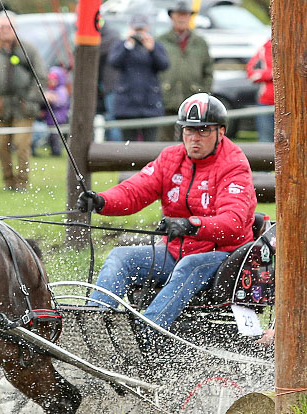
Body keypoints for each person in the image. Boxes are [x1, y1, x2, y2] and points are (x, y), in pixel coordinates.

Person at [77, 93, 255, 332]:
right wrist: (101, 201)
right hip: (175, 252)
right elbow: (135, 191)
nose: (194, 139)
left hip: (224, 257)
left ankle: (147, 332)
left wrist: (191, 225)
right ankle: (95, 328)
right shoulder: (170, 158)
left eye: (203, 131)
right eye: (189, 131)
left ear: (220, 132)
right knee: (120, 257)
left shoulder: (234, 166)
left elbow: (232, 222)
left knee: (189, 265)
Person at [0, 12, 46, 191]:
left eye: (9, 27)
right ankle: (8, 183)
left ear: (15, 29)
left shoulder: (28, 50)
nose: (5, 30)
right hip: (1, 107)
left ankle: (22, 183)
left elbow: (40, 76)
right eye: (2, 27)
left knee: (22, 145)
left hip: (23, 107)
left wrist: (30, 99)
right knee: (2, 146)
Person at [107, 13, 168, 142]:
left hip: (150, 104)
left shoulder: (155, 46)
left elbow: (164, 65)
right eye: (136, 30)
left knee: (149, 146)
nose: (139, 33)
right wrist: (128, 45)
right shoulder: (122, 45)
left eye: (141, 30)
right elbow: (113, 62)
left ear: (147, 29)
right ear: (130, 28)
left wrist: (152, 50)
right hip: (127, 105)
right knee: (129, 145)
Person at [157, 1, 213, 141]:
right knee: (164, 142)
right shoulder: (161, 41)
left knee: (193, 141)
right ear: (172, 16)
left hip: (193, 99)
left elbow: (208, 71)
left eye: (185, 15)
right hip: (166, 99)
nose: (182, 18)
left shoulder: (200, 43)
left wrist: (203, 93)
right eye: (178, 15)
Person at [98, 22, 122, 142]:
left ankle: (115, 147)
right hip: (105, 85)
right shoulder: (110, 35)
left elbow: (97, 50)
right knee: (109, 118)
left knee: (113, 119)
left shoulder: (112, 35)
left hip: (112, 85)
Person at [246, 38, 273, 143]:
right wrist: (270, 74)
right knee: (265, 142)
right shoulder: (265, 48)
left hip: (290, 104)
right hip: (266, 103)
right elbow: (251, 73)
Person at [41, 66, 70, 156]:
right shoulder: (51, 90)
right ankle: (53, 151)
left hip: (59, 117)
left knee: (56, 136)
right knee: (51, 136)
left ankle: (57, 152)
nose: (52, 82)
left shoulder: (61, 90)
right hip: (50, 118)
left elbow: (60, 101)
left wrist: (51, 98)